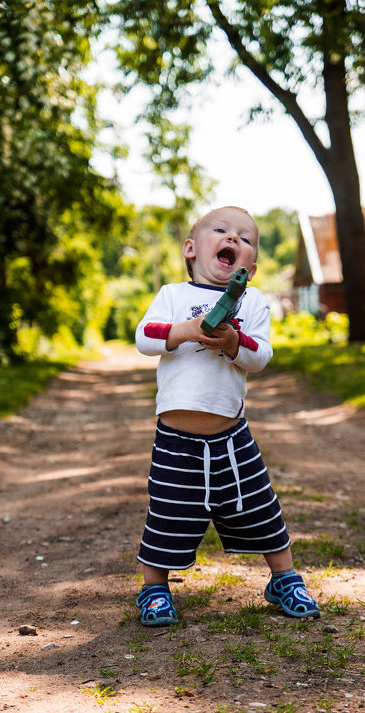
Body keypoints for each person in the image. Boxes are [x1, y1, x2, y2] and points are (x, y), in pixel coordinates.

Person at [134, 206, 320, 626]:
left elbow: (261, 355)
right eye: (220, 230)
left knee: (260, 507)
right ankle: (154, 589)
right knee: (167, 514)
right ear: (191, 248)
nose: (233, 238)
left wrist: (233, 340)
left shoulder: (251, 300)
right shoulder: (172, 295)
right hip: (176, 439)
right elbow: (145, 336)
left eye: (245, 238)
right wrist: (185, 330)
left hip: (232, 437)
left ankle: (284, 578)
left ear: (249, 269)